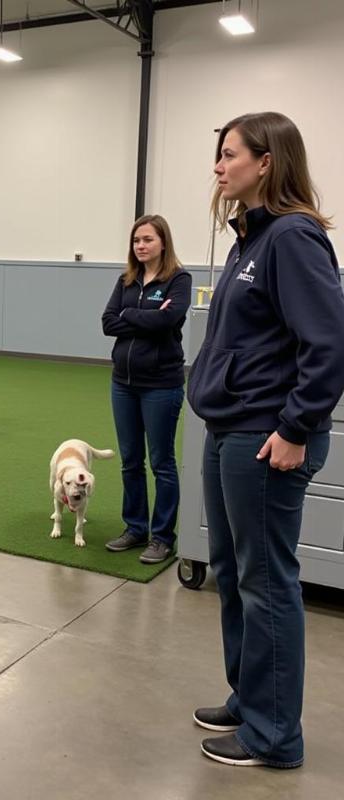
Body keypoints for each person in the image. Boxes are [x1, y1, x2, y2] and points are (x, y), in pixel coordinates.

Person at [187, 111, 344, 768]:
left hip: (266, 438)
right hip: (230, 430)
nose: (219, 167)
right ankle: (251, 698)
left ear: (266, 162)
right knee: (232, 573)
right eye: (219, 155)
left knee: (266, 582)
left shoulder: (293, 238)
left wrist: (294, 426)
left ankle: (275, 734)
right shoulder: (248, 242)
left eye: (229, 154)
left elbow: (329, 344)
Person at [101, 215, 192, 564]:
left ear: (163, 243)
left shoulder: (178, 279)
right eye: (136, 240)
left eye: (148, 239)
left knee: (162, 462)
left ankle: (162, 537)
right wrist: (144, 315)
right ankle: (135, 528)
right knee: (130, 461)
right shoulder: (126, 280)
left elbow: (170, 320)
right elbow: (108, 322)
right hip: (122, 384)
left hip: (161, 385)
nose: (141, 245)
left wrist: (130, 315)